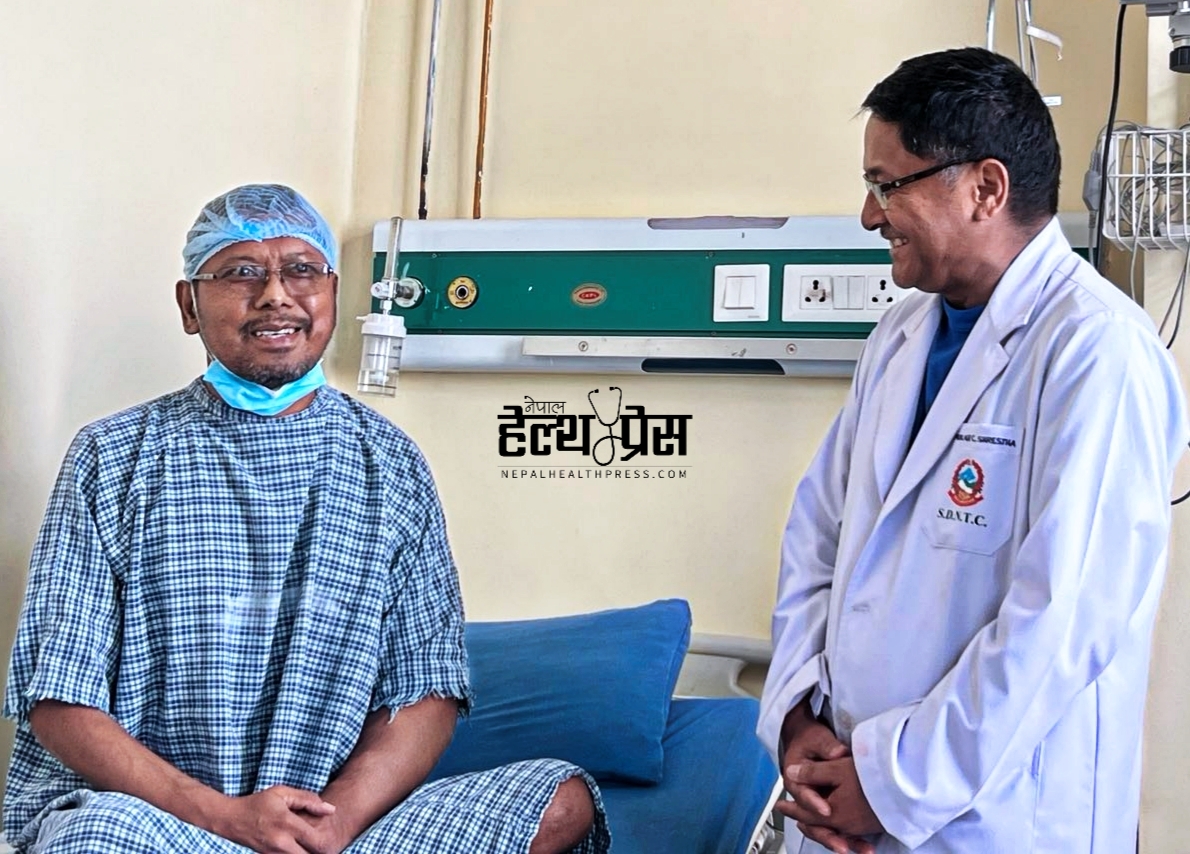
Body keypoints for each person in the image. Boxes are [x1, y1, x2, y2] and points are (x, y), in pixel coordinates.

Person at [3, 184, 610, 854]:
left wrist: (335, 823)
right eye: (241, 272)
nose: (275, 295)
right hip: (166, 822)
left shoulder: (389, 463)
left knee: (557, 799)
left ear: (332, 294)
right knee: (93, 834)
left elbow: (425, 690)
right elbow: (59, 699)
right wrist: (228, 819)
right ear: (189, 305)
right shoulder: (115, 457)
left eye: (300, 270)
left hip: (338, 828)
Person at [758, 48, 1189, 854]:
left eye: (888, 185)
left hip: (997, 818)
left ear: (985, 188)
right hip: (843, 789)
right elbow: (816, 536)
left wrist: (892, 783)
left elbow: (1058, 622)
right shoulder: (900, 337)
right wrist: (796, 717)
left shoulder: (1097, 351)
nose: (870, 215)